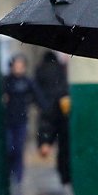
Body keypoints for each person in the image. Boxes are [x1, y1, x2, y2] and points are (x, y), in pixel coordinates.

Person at [2, 53, 45, 195]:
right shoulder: (6, 81)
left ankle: (17, 180)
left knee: (18, 150)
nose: (18, 68)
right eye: (16, 65)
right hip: (8, 122)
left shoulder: (27, 82)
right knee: (9, 150)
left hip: (20, 122)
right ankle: (9, 177)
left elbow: (39, 98)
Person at [35, 51, 71, 186]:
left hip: (67, 150)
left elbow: (50, 115)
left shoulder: (43, 71)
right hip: (70, 148)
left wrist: (45, 140)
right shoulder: (63, 82)